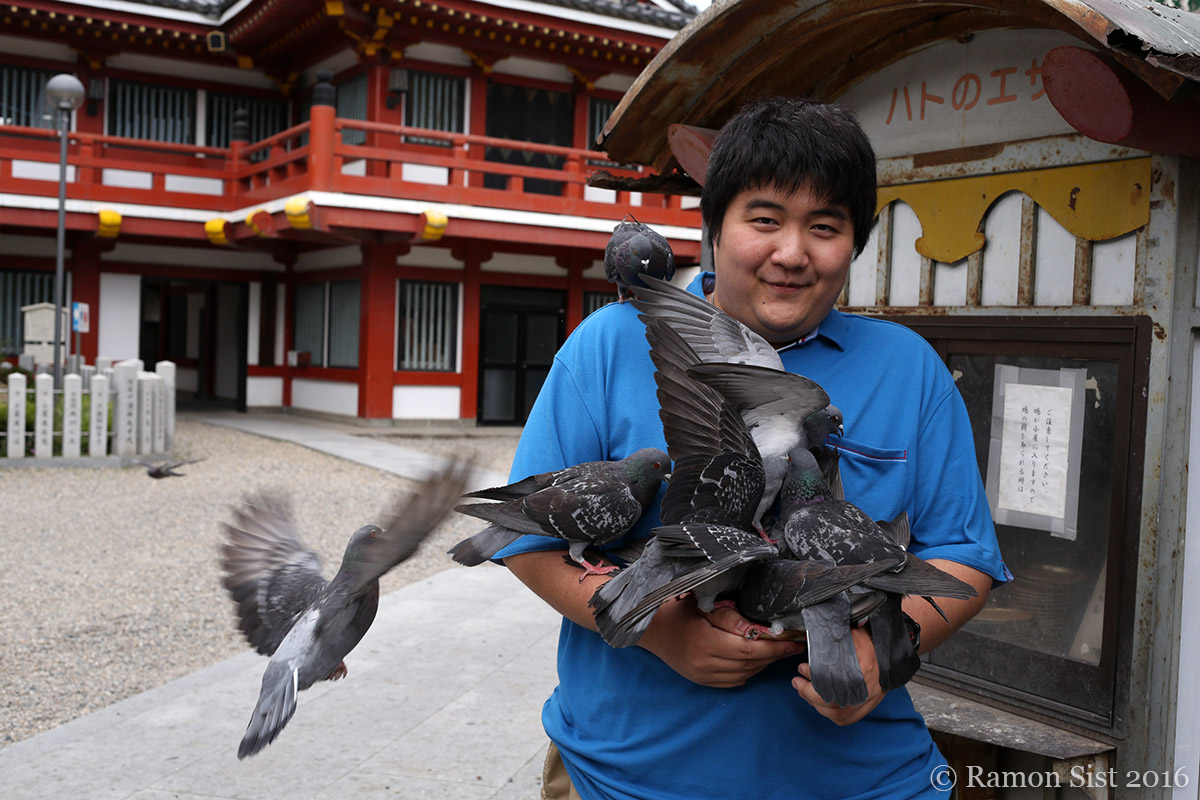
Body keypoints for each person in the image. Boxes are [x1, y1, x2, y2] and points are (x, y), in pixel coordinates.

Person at [494, 96, 1010, 800]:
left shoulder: (907, 367)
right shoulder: (610, 346)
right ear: (712, 227)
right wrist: (658, 631)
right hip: (624, 777)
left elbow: (965, 555)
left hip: (862, 781)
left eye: (825, 227)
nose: (792, 254)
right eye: (764, 220)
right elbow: (527, 541)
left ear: (855, 243)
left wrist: (876, 659)